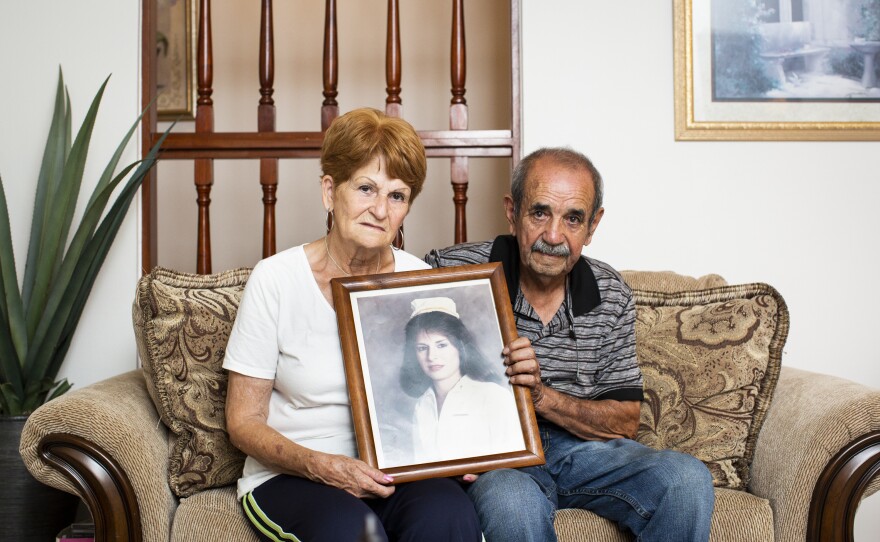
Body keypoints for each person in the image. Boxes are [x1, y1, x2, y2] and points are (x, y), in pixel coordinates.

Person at [425, 147, 715, 542]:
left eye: (573, 218)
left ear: (593, 226)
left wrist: (542, 397)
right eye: (539, 212)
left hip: (581, 452)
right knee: (513, 504)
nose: (553, 236)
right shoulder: (452, 272)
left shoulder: (610, 291)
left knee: (685, 479)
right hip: (500, 459)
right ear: (512, 211)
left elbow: (625, 421)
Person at [223, 108, 482, 542]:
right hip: (295, 475)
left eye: (397, 196)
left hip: (397, 472)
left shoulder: (419, 283)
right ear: (330, 191)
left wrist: (461, 449)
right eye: (366, 188)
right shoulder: (276, 279)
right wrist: (323, 466)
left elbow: (451, 384)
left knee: (449, 516)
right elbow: (242, 422)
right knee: (355, 531)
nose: (380, 210)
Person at [399, 296, 524, 464]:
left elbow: (514, 461)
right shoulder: (421, 405)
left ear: (460, 347)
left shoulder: (493, 396)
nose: (432, 356)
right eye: (422, 348)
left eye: (441, 345)